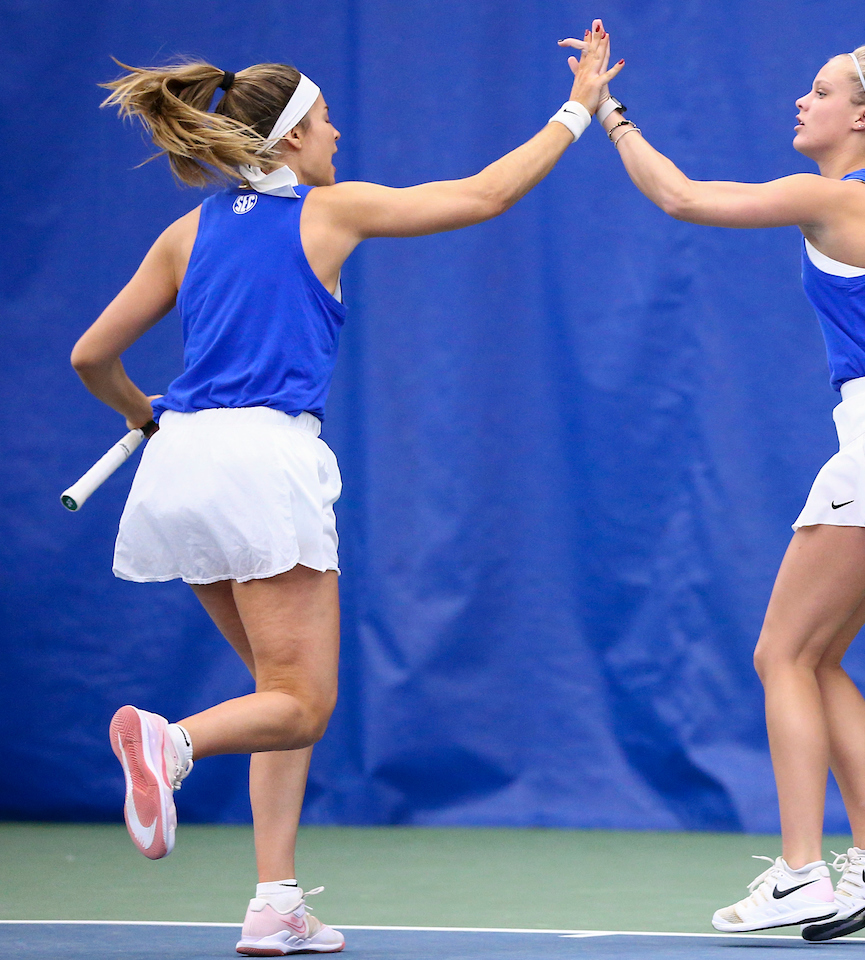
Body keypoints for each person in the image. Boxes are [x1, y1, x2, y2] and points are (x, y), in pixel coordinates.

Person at [73, 32, 622, 957]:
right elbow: (485, 195)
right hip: (261, 464)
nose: (339, 134)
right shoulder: (331, 211)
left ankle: (274, 901)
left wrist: (147, 416)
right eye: (325, 122)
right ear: (290, 140)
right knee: (306, 703)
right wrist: (579, 106)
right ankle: (169, 746)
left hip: (181, 469)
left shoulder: (185, 233)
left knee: (277, 694)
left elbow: (92, 356)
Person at [565, 25, 865, 941]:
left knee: (780, 657)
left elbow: (683, 197)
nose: (800, 101)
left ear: (861, 118)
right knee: (817, 660)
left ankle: (797, 873)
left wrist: (602, 114)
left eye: (818, 91)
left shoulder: (836, 199)